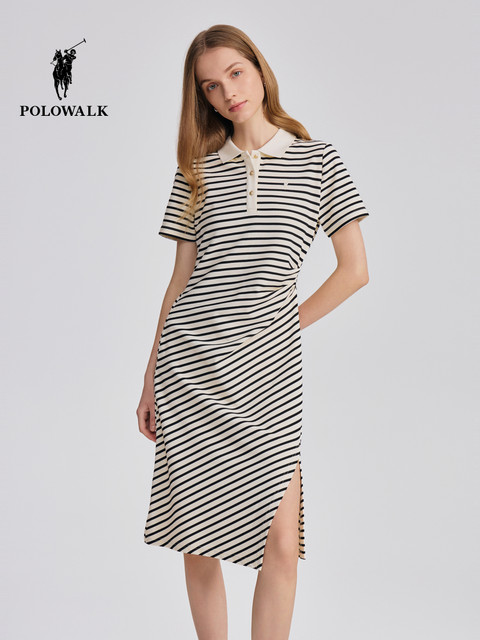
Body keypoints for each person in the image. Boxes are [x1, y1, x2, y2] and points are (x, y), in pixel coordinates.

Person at [137, 24, 370, 640]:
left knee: (281, 542)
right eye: (210, 86)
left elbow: (355, 270)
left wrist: (284, 325)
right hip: (189, 366)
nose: (227, 92)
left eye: (235, 74)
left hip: (268, 372)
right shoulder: (195, 171)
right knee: (195, 537)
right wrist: (150, 378)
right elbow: (179, 280)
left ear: (260, 70)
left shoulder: (320, 161)